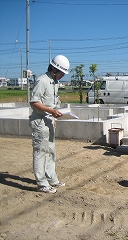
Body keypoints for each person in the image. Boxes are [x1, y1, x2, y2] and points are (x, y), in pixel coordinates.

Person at [29, 55, 70, 194]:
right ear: (54, 69)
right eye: (61, 73)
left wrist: (54, 118)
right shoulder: (42, 81)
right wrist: (50, 111)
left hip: (49, 121)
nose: (63, 76)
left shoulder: (55, 83)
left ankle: (51, 178)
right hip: (40, 122)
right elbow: (34, 102)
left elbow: (53, 103)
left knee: (51, 151)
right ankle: (41, 183)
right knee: (41, 151)